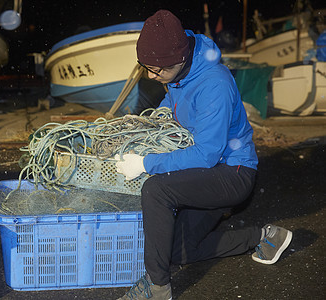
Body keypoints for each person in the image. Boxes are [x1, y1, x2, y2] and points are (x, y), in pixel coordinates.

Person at [115, 9, 293, 300]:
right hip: (208, 172)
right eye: (145, 66)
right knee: (177, 251)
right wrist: (160, 115)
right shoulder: (179, 65)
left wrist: (146, 163)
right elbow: (174, 94)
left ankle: (157, 288)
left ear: (180, 59)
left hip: (232, 173)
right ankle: (264, 236)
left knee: (156, 190)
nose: (150, 75)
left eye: (156, 69)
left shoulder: (215, 84)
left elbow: (206, 155)